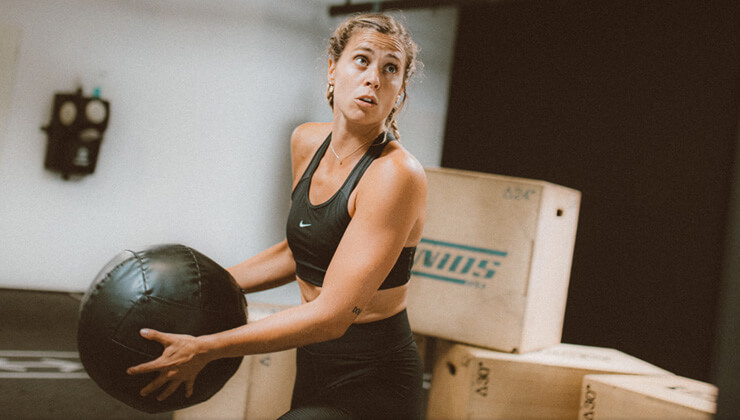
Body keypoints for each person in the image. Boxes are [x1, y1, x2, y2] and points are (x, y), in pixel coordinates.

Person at [127, 12, 426, 420]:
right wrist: (198, 289)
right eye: (362, 60)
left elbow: (332, 316)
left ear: (400, 91)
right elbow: (298, 251)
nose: (373, 78)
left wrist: (207, 348)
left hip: (376, 379)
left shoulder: (395, 174)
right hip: (314, 364)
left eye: (390, 69)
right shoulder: (307, 141)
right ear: (332, 69)